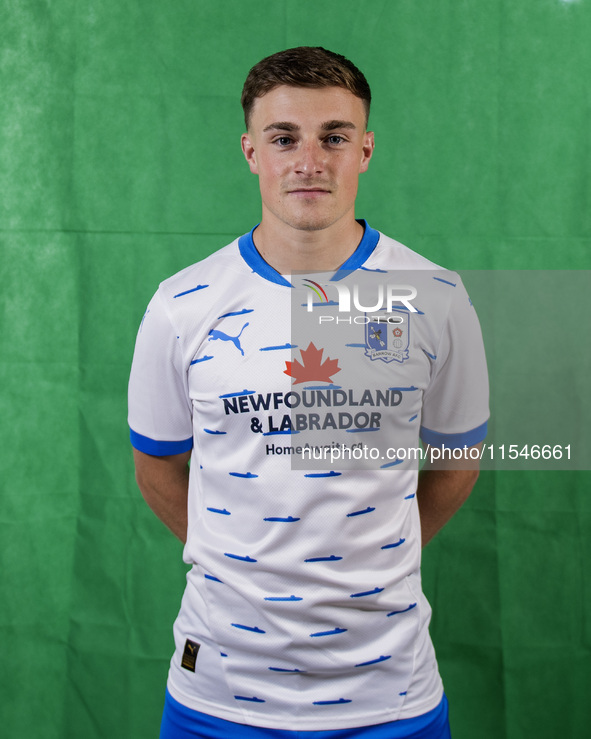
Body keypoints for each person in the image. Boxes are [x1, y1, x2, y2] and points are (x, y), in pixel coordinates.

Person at [128, 47, 489, 739]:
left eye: (334, 136)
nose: (309, 159)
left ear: (365, 150)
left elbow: (457, 462)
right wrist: (248, 572)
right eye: (283, 137)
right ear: (250, 151)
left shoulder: (435, 297)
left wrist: (372, 564)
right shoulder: (181, 304)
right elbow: (156, 467)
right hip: (219, 693)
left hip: (391, 694)